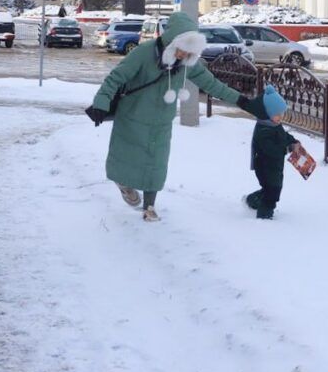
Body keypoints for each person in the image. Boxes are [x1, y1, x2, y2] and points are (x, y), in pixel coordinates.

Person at [85, 12, 251, 221]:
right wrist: (101, 102)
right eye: (182, 50)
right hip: (133, 116)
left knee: (156, 164)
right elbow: (116, 78)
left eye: (190, 52)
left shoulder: (188, 62)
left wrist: (242, 101)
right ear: (172, 42)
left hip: (161, 121)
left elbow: (211, 84)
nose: (184, 55)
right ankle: (124, 183)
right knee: (126, 157)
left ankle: (150, 207)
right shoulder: (144, 53)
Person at [244, 85, 301, 220]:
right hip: (264, 166)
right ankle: (264, 216)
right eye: (277, 114)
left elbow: (283, 136)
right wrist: (287, 149)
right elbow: (271, 150)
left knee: (273, 188)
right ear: (267, 113)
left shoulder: (273, 125)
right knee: (272, 191)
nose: (280, 116)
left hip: (275, 166)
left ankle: (253, 200)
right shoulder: (263, 130)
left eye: (281, 113)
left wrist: (293, 141)